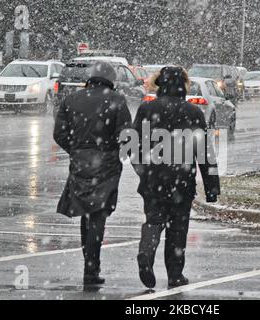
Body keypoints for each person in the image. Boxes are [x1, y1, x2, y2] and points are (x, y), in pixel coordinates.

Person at [132, 66, 220, 289]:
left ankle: (146, 252)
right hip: (182, 179)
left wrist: (143, 170)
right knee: (178, 228)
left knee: (154, 220)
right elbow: (205, 152)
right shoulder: (194, 113)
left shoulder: (147, 109)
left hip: (153, 177)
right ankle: (175, 274)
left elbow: (133, 145)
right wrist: (211, 187)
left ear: (160, 84)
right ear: (184, 85)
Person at [53, 61, 132, 289]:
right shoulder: (117, 100)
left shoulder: (72, 99)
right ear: (111, 79)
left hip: (80, 163)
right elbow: (125, 136)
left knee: (86, 212)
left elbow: (59, 133)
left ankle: (90, 262)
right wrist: (115, 152)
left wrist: (76, 150)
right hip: (106, 163)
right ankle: (91, 267)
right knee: (98, 214)